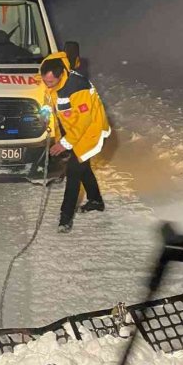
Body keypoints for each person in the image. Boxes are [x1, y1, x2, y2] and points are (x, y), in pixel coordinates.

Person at [40, 51, 111, 233]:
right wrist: (45, 112)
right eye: (45, 80)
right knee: (83, 167)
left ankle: (65, 218)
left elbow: (83, 121)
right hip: (73, 130)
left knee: (73, 172)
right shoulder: (50, 78)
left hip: (89, 132)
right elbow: (48, 96)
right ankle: (95, 201)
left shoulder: (78, 88)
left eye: (51, 82)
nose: (47, 84)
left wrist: (64, 143)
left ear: (61, 75)